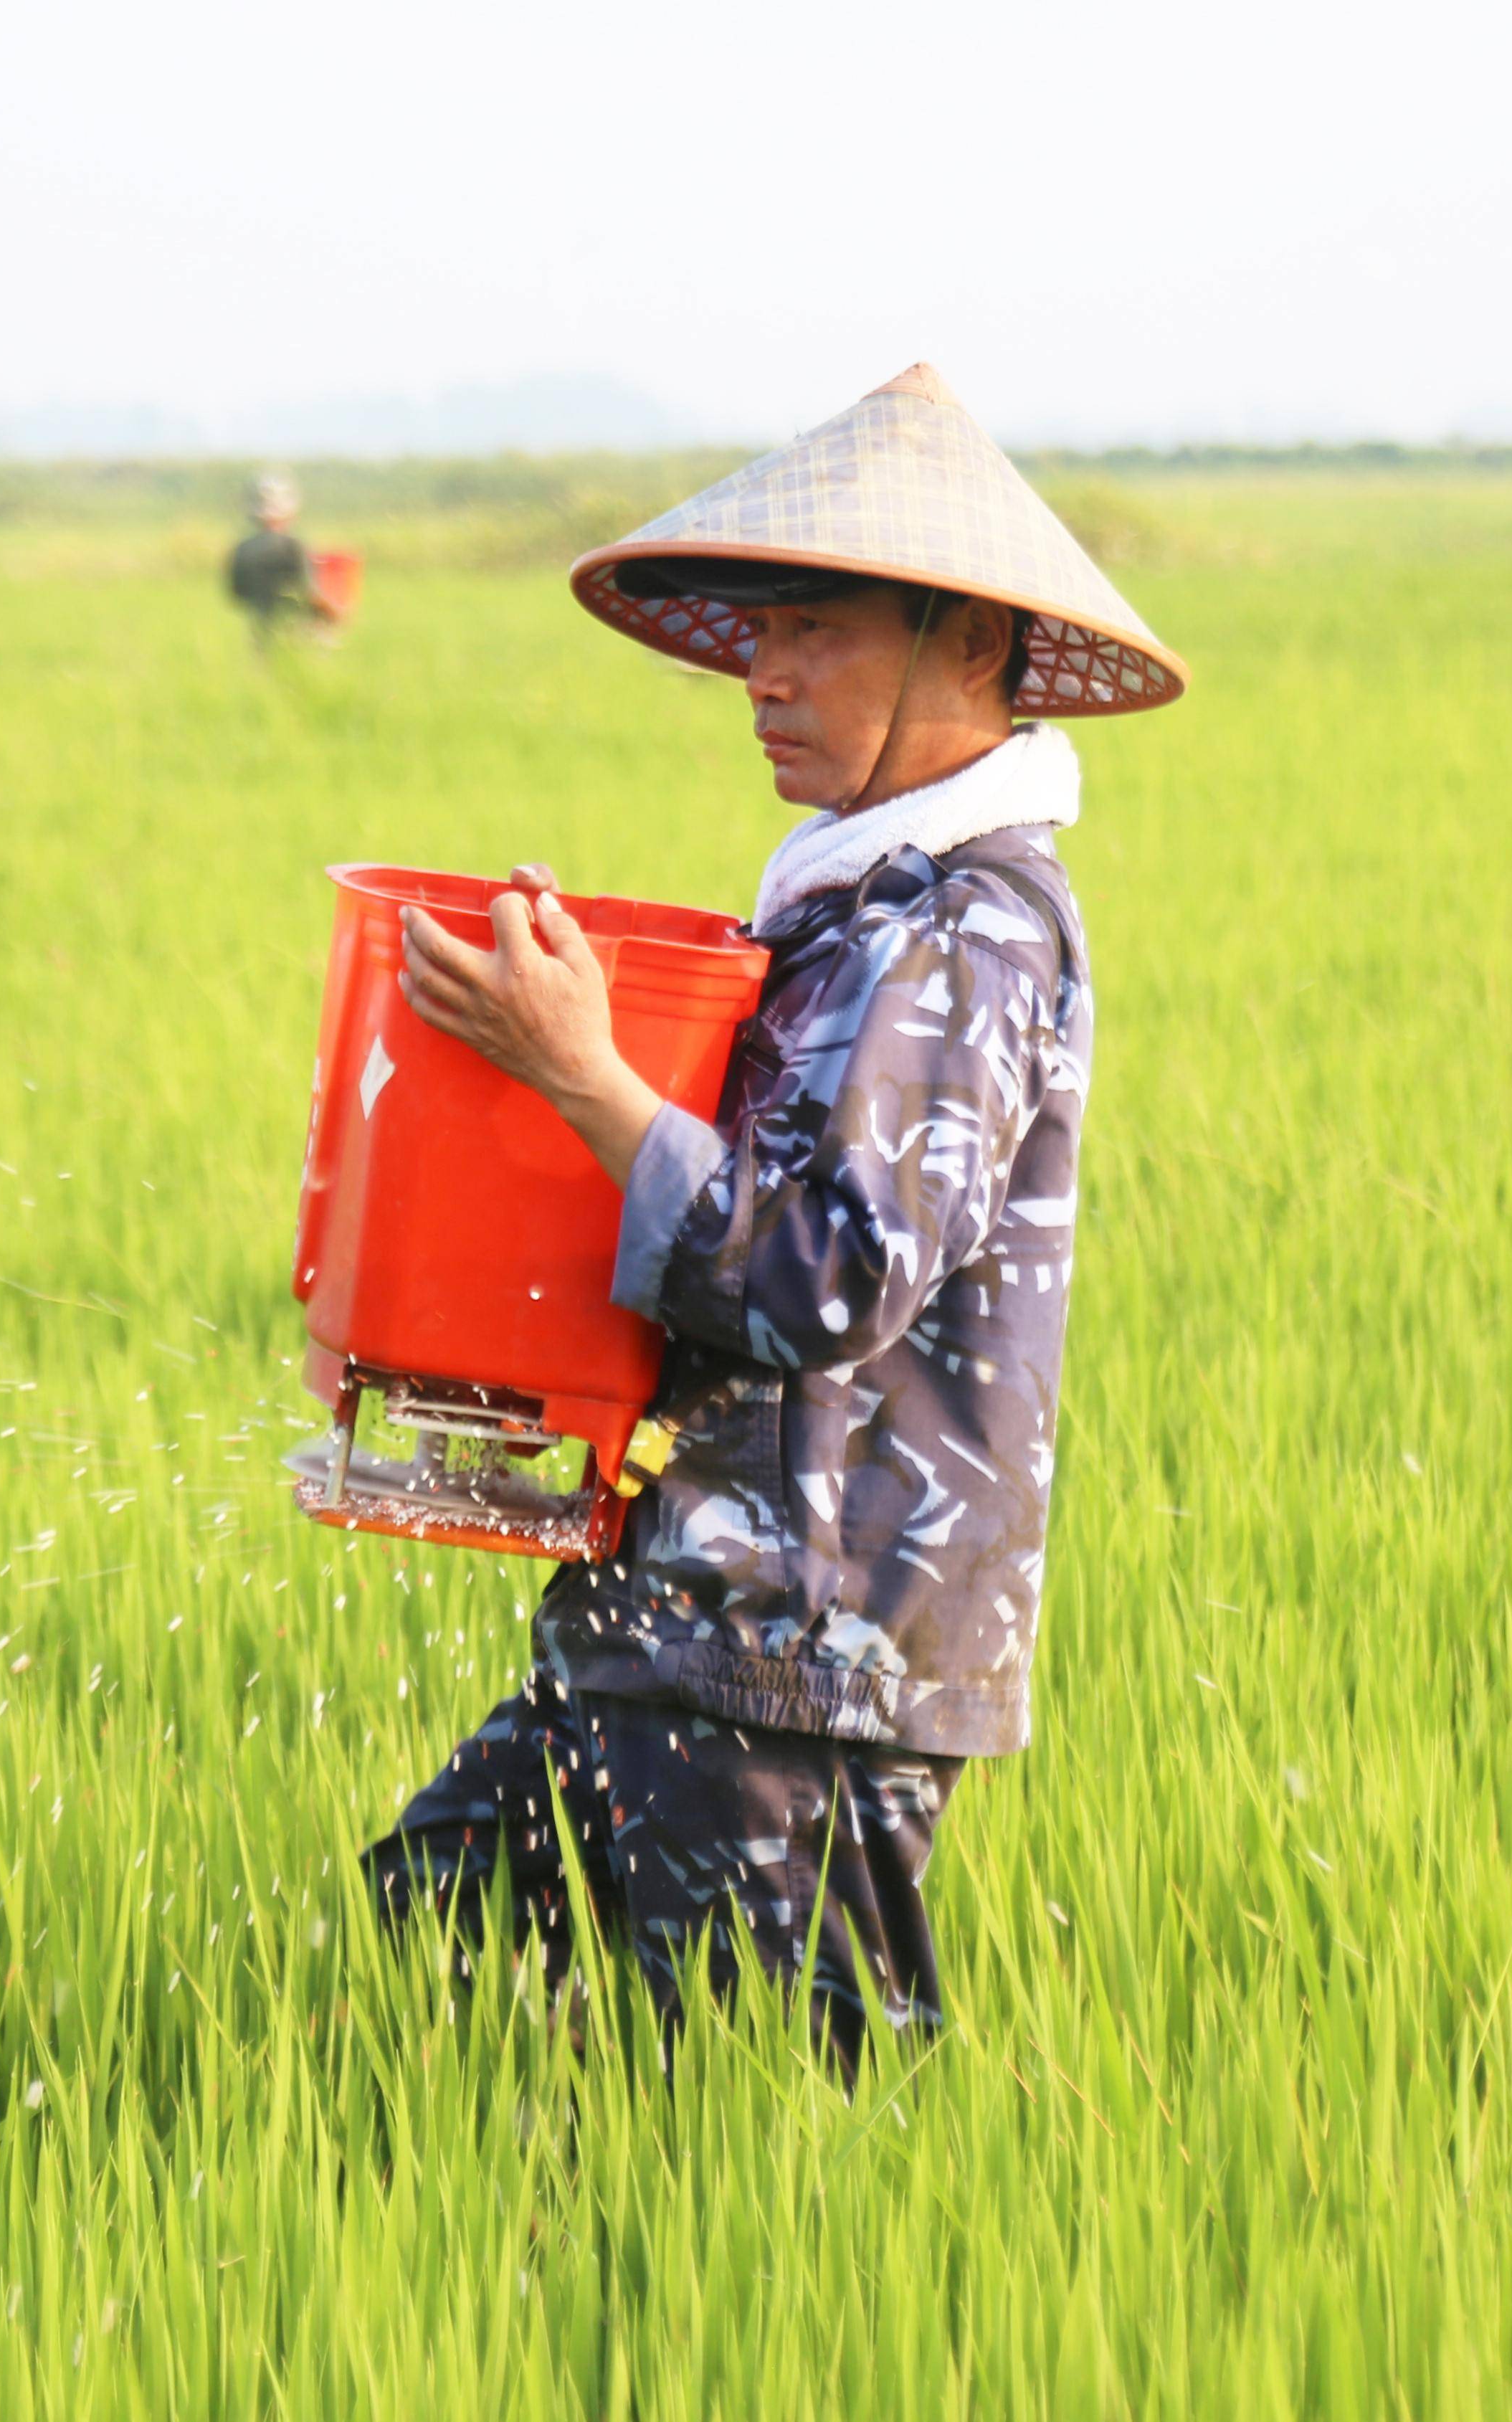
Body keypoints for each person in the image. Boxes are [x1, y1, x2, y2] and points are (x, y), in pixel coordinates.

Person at [361, 364, 1189, 2079]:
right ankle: (520, 2283)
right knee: (431, 1927)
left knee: (769, 2126)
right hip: (681, 1624)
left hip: (807, 1655)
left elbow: (828, 1272)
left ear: (969, 644)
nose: (763, 676)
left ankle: (762, 2328)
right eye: (754, 633)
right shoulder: (853, 900)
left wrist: (584, 1075)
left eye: (811, 631)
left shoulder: (967, 925)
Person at [227, 472, 322, 646]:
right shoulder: (294, 546)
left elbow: (237, 594)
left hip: (260, 630)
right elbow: (311, 593)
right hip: (296, 631)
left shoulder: (243, 548)